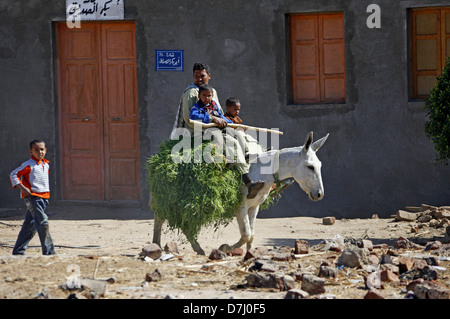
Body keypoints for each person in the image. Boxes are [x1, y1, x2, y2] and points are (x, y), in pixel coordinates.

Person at [189, 85, 264, 199]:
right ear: (199, 96)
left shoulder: (214, 105)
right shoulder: (197, 107)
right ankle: (225, 158)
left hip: (220, 127)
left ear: (212, 96)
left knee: (235, 133)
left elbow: (221, 115)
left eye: (209, 95)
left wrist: (229, 123)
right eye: (204, 95)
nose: (207, 98)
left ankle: (245, 153)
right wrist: (211, 118)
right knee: (219, 137)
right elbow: (194, 116)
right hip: (207, 130)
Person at [9, 139, 55, 255]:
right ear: (31, 151)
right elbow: (14, 174)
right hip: (33, 197)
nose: (40, 152)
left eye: (42, 149)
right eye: (36, 150)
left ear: (45, 150)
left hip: (43, 197)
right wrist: (23, 188)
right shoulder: (28, 165)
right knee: (43, 222)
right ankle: (49, 252)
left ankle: (18, 251)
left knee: (30, 225)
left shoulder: (46, 164)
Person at [171, 62, 224, 137]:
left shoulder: (213, 91)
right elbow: (188, 118)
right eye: (197, 76)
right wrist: (211, 119)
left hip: (216, 129)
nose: (199, 79)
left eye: (202, 76)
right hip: (198, 134)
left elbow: (220, 113)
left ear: (209, 76)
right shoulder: (191, 92)